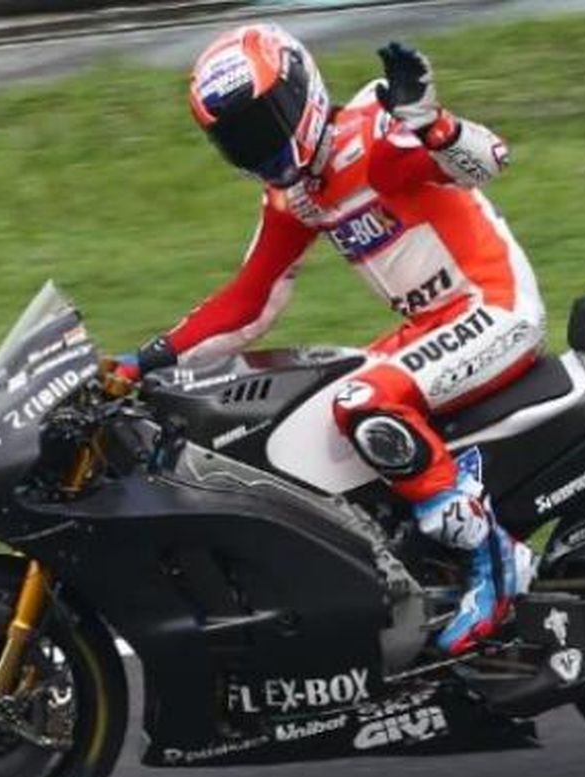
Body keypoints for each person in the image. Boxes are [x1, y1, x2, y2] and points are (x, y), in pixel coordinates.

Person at [114, 24, 544, 655]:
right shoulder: (295, 196)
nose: (259, 146)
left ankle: (496, 562)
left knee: (362, 401)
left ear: (302, 89)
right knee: (308, 421)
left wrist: (433, 123)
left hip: (493, 309)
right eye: (238, 137)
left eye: (265, 122)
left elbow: (491, 159)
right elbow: (249, 301)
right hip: (432, 327)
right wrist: (143, 360)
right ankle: (415, 575)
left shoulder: (375, 129)